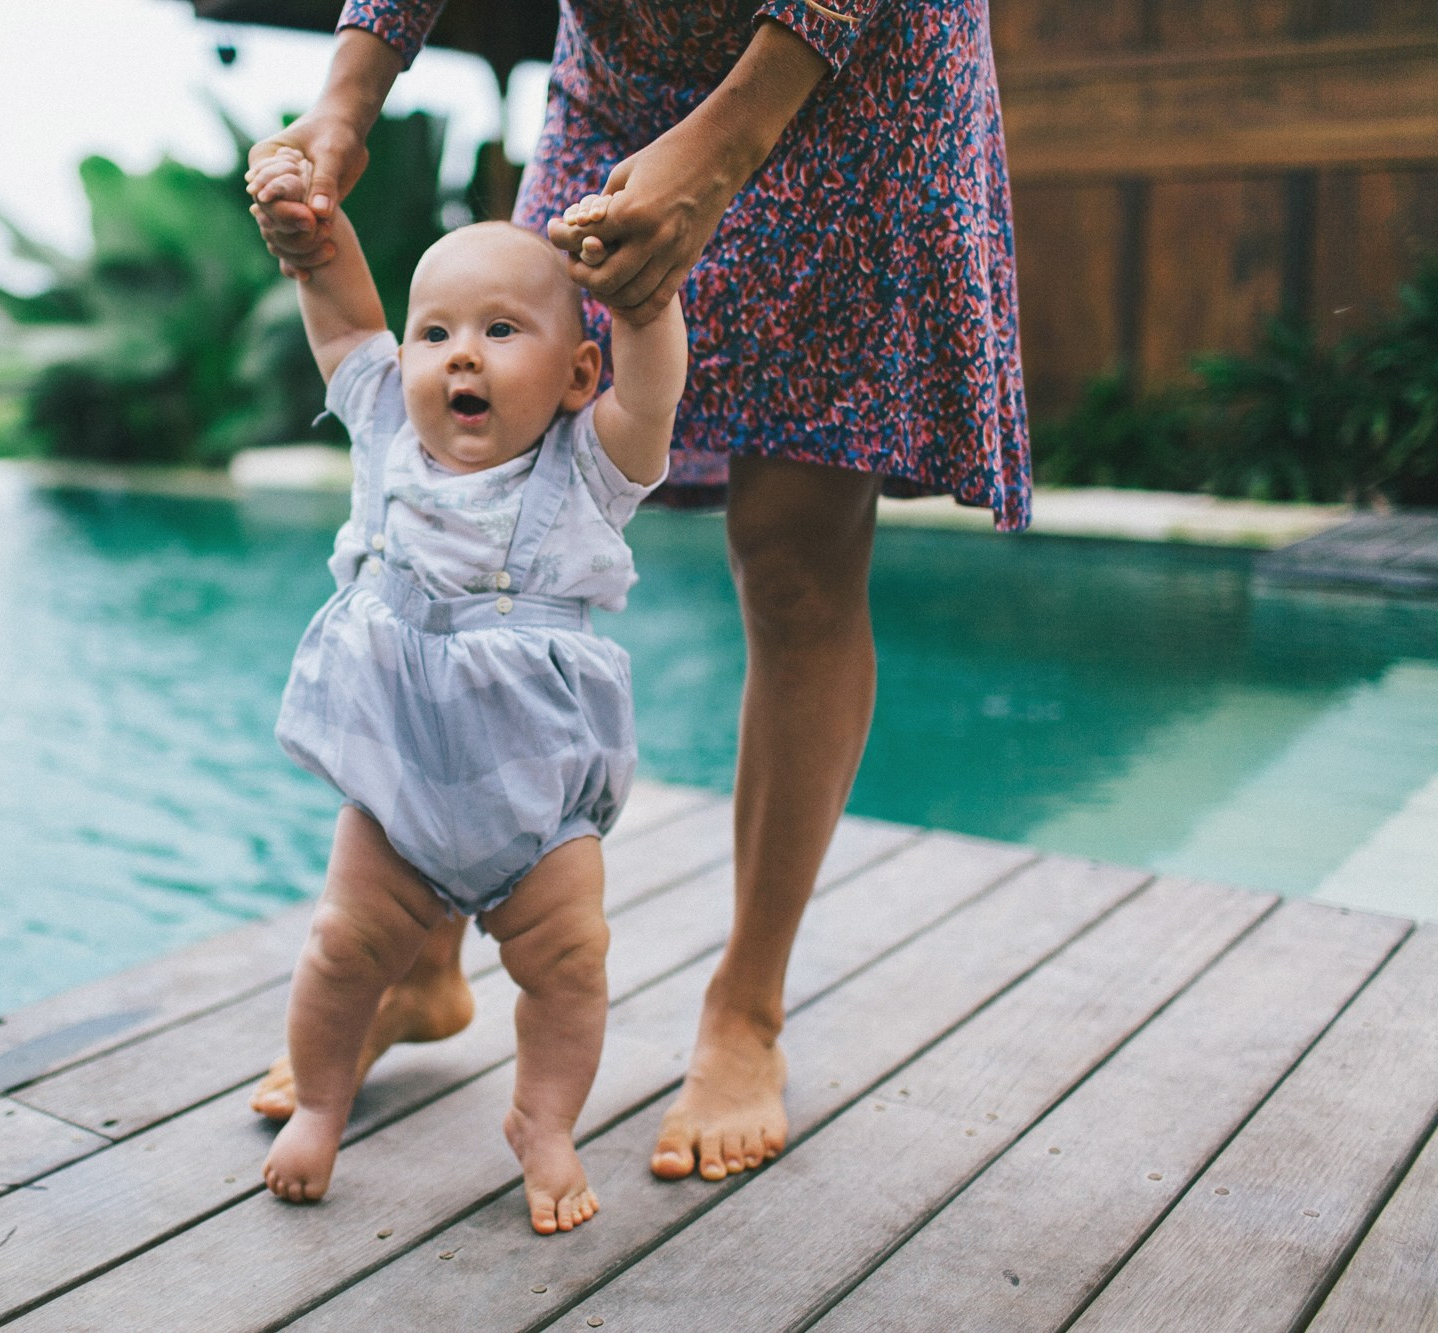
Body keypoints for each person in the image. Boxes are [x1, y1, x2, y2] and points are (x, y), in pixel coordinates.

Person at [249, 1, 1030, 1185]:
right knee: (501, 357)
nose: (443, 358)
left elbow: (630, 407)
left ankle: (745, 1008)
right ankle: (415, 960)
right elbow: (357, 330)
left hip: (853, 71)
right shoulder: (389, 401)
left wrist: (710, 179)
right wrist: (347, 98)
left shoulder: (601, 387)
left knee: (794, 556)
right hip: (625, 68)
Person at [247, 144, 688, 1234]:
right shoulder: (386, 435)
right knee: (342, 946)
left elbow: (652, 389)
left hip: (536, 803)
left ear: (576, 376)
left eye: (500, 330)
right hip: (397, 786)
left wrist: (641, 302)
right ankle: (319, 1102)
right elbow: (348, 323)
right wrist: (318, 238)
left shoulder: (587, 472)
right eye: (435, 332)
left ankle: (542, 1119)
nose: (460, 357)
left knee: (571, 961)